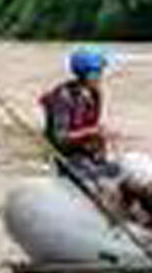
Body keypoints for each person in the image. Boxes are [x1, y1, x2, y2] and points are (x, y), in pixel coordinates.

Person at [39, 47, 111, 176]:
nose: (100, 77)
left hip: (85, 151)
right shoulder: (63, 98)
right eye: (96, 73)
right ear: (84, 75)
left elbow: (93, 126)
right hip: (63, 155)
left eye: (100, 72)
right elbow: (60, 138)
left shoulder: (95, 94)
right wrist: (90, 132)